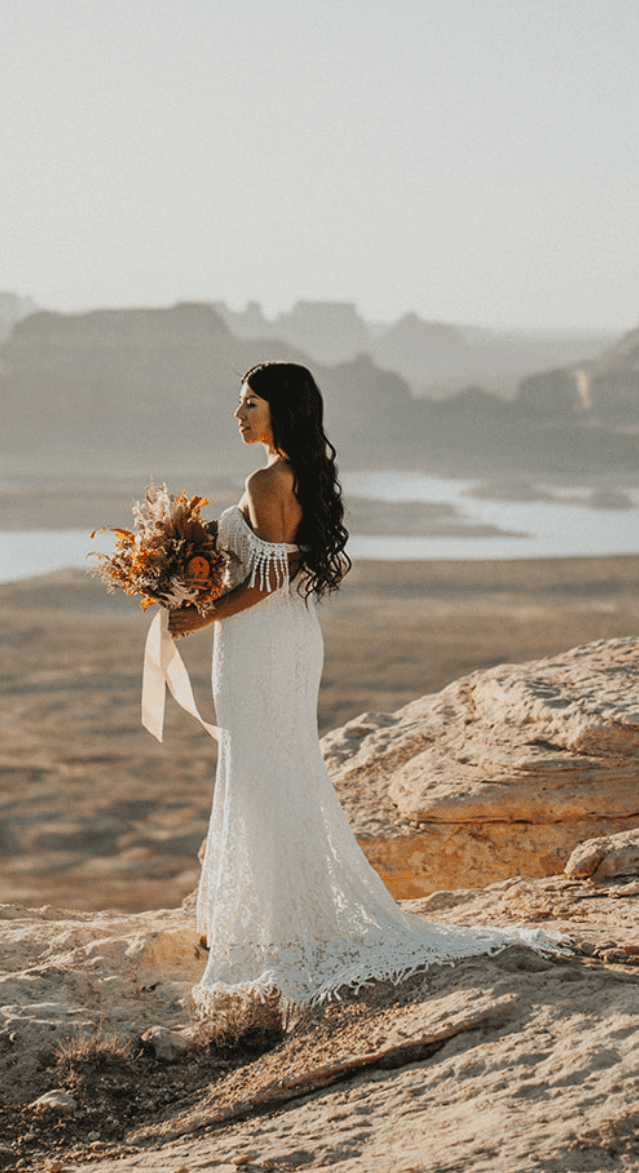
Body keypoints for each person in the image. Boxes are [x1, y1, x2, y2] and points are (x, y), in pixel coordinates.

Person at [169, 362, 559, 1012]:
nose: (238, 415)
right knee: (275, 768)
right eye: (239, 404)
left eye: (250, 404)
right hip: (286, 637)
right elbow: (275, 567)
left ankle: (279, 931)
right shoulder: (299, 475)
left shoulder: (265, 478)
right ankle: (280, 919)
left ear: (281, 410)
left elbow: (264, 580)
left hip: (261, 643)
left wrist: (199, 612)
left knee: (265, 773)